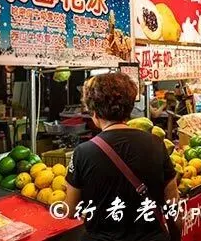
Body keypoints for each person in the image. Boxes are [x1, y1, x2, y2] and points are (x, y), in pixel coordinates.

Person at [65, 73, 181, 241]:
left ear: (94, 112)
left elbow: (70, 210)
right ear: (130, 107)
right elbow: (173, 206)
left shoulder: (83, 152)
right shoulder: (156, 144)